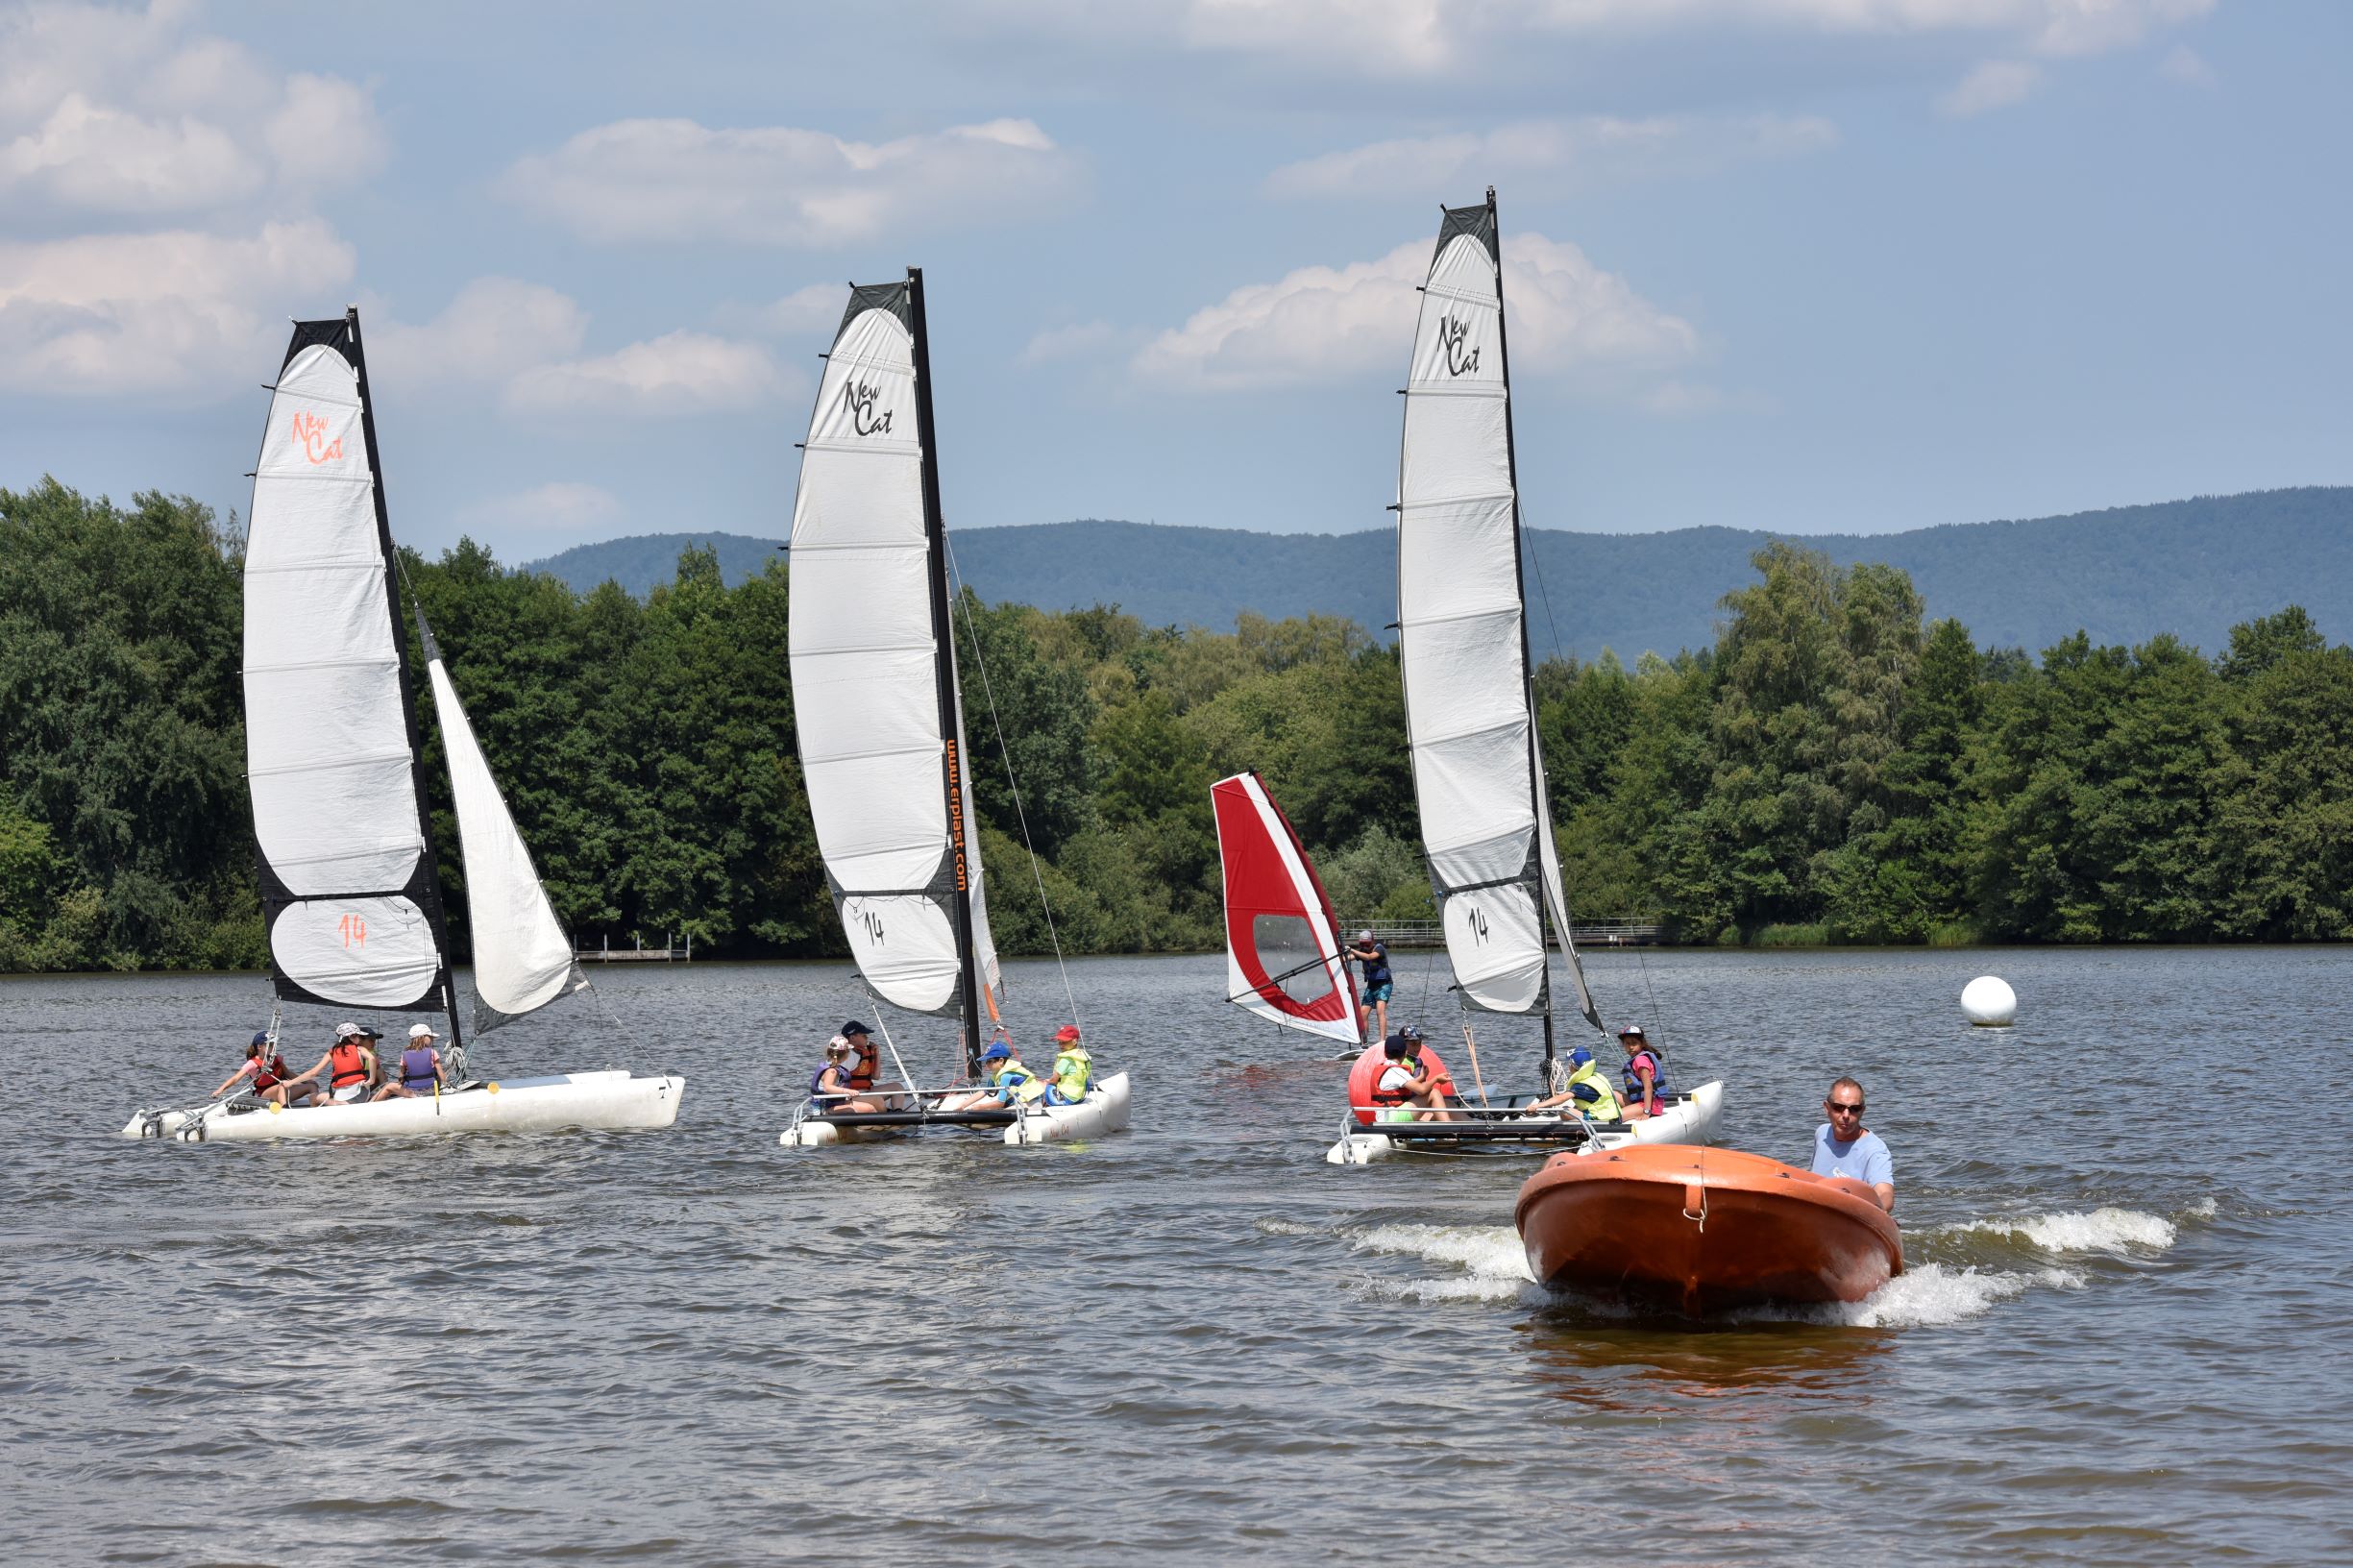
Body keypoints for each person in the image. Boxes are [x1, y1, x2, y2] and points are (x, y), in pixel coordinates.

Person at [1812, 1077, 1894, 1213]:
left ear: (1862, 1111)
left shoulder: (1875, 1150)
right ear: (1827, 1108)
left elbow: (1885, 1193)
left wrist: (1878, 1211)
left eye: (1854, 1109)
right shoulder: (1821, 1133)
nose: (1846, 1115)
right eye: (1839, 1107)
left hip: (1851, 1216)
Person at [1371, 1026, 1456, 1123]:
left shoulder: (1385, 1067)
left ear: (1385, 1054)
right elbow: (1421, 1090)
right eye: (1413, 1044)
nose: (1417, 1047)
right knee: (1434, 1093)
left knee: (1448, 1105)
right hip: (1391, 1119)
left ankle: (1467, 1129)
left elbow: (1410, 1087)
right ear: (1405, 1052)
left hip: (1390, 1115)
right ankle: (1450, 1130)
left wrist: (1422, 1077)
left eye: (1419, 1043)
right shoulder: (1396, 1071)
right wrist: (1436, 1079)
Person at [210, 1032, 319, 1107]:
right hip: (264, 1096)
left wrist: (307, 1081)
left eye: (274, 1044)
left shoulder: (276, 1058)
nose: (273, 1047)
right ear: (260, 1047)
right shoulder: (252, 1063)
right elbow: (235, 1078)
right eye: (270, 1044)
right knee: (281, 1086)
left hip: (282, 1091)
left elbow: (288, 1074)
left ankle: (316, 1110)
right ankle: (284, 1111)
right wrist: (220, 1090)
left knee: (312, 1085)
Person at [941, 1039, 1046, 1114]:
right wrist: (963, 1106)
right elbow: (983, 1091)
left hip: (1032, 1105)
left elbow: (1000, 1103)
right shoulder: (996, 1075)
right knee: (990, 1110)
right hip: (1017, 1104)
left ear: (1000, 1060)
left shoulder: (1006, 1076)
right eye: (986, 1062)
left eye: (990, 1061)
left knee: (997, 1112)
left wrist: (979, 1108)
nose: (986, 1065)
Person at [285, 1021, 379, 1106]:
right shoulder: (360, 1049)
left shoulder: (332, 1053)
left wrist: (290, 1083)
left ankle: (317, 1120)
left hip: (347, 1095)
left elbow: (313, 1073)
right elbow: (372, 1059)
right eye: (357, 1036)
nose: (359, 1038)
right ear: (351, 1037)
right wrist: (371, 1080)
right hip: (361, 1093)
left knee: (312, 1098)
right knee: (327, 1098)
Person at [1525, 1044, 1623, 1122]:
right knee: (1577, 1106)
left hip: (1600, 1120)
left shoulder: (1581, 1085)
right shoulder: (1596, 1077)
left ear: (1572, 1066)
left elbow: (1561, 1098)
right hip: (1614, 1116)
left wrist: (1537, 1106)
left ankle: (1572, 1130)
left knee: (1564, 1111)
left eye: (1569, 1064)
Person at [839, 1020, 905, 1111]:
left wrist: (877, 1054)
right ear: (853, 1037)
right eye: (863, 1035)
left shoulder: (865, 1053)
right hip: (851, 1094)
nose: (867, 1037)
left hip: (865, 1090)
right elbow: (838, 1079)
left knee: (897, 1087)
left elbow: (876, 1076)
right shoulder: (847, 1055)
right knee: (877, 1099)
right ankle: (888, 1119)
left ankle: (898, 1113)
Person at [810, 1037, 879, 1116]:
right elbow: (827, 1087)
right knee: (869, 1109)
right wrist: (848, 1091)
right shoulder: (832, 1071)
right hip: (825, 1108)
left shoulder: (831, 1065)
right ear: (846, 1054)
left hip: (834, 1103)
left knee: (870, 1108)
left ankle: (866, 1127)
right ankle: (868, 1127)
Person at [1345, 928, 1392, 1044]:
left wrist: (1351, 950)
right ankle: (1364, 1042)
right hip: (1371, 986)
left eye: (1367, 944)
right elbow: (1348, 958)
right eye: (1362, 944)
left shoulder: (1379, 949)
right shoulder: (1361, 952)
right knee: (1362, 1014)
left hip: (1384, 984)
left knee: (1380, 1011)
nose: (1365, 946)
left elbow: (1369, 957)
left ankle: (1382, 1041)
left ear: (1372, 941)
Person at [374, 1023, 445, 1100]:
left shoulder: (404, 1055)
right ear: (421, 1037)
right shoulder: (433, 1052)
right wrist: (445, 1084)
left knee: (389, 1086)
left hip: (412, 1092)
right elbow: (440, 1072)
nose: (432, 1039)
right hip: (432, 1090)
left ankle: (370, 1104)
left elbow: (401, 1077)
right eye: (430, 1037)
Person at [1616, 1024, 1671, 1120]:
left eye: (1634, 1043)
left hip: (1651, 1105)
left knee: (1615, 1117)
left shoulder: (1640, 1060)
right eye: (1627, 1043)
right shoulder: (1637, 1058)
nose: (1631, 1047)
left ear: (1642, 1044)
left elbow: (1648, 1087)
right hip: (1639, 1101)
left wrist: (1646, 1112)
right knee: (1612, 1094)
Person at [1042, 1024, 1092, 1106]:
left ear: (1074, 1041)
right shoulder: (1083, 1056)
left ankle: (1046, 1104)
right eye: (1059, 1042)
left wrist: (1045, 1086)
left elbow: (1054, 1080)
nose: (1061, 1045)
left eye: (1064, 1042)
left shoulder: (1066, 1059)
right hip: (1079, 1097)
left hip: (1066, 1098)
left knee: (1046, 1085)